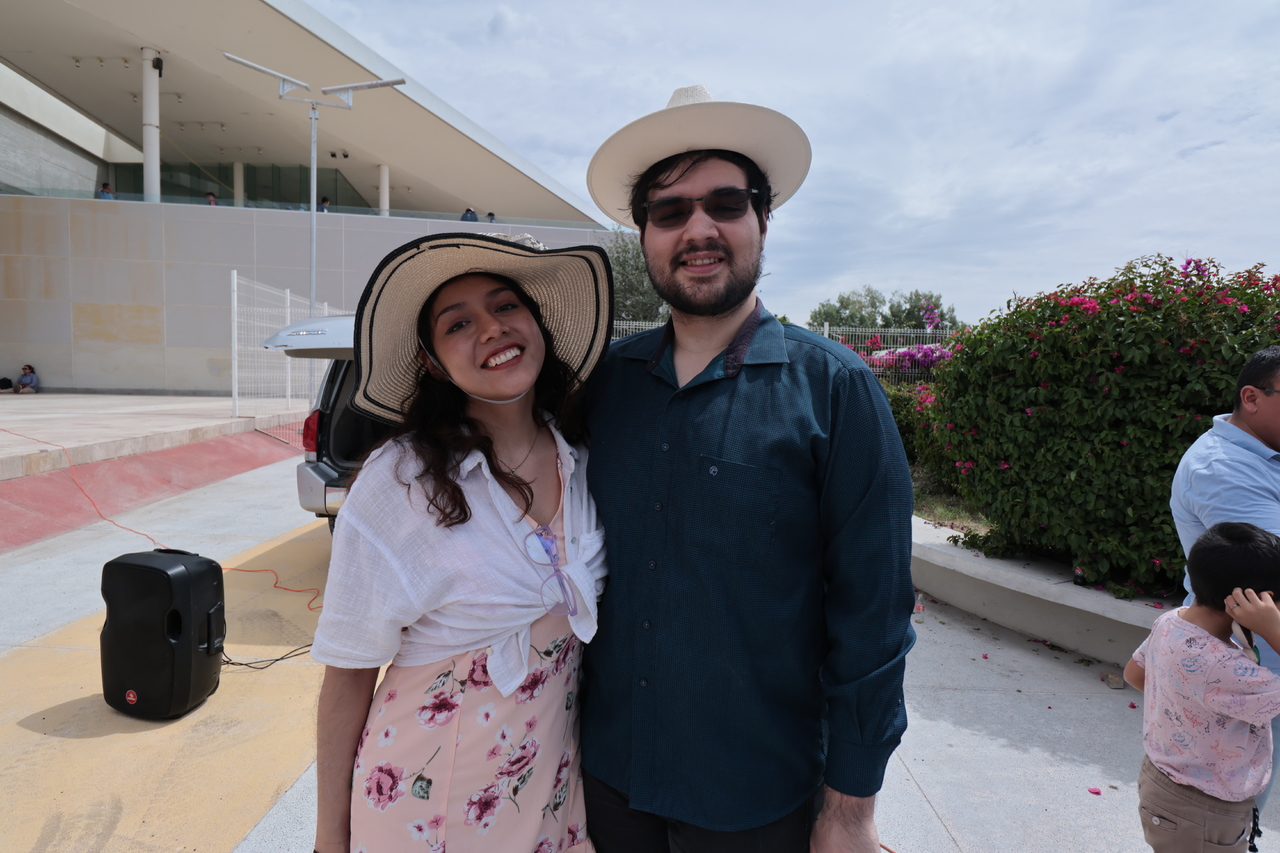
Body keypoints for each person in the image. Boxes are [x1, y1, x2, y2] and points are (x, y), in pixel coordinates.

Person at [578, 85, 915, 852]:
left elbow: (874, 615)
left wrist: (851, 808)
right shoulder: (600, 387)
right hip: (606, 785)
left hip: (759, 799)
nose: (698, 228)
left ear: (763, 219)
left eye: (725, 204)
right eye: (670, 211)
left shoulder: (837, 390)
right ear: (644, 235)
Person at [310, 232, 614, 853]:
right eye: (458, 324)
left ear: (536, 323)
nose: (492, 329)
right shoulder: (400, 483)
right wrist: (328, 838)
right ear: (431, 362)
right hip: (424, 807)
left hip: (548, 794)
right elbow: (348, 675)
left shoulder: (585, 459)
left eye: (506, 306)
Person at [1124, 522, 1280, 852]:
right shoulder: (1226, 668)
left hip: (1162, 782)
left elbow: (1134, 673)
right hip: (1205, 809)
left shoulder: (1172, 621)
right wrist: (1273, 630)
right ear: (1253, 601)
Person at [1172, 345, 1280, 811]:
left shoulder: (1265, 455)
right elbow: (1269, 577)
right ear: (1251, 397)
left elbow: (1138, 673)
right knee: (1232, 808)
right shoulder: (1225, 470)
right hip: (1253, 665)